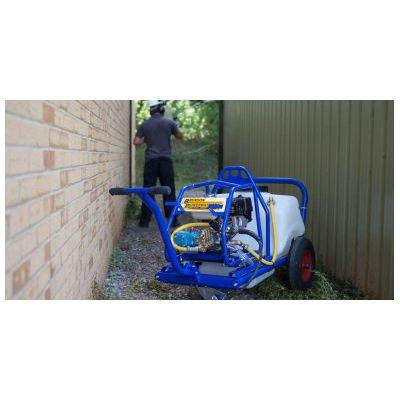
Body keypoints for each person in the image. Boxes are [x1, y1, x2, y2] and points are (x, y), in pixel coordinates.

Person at [134, 100, 183, 228]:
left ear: (151, 110)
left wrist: (147, 139)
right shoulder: (169, 123)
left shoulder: (145, 124)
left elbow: (136, 141)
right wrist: (176, 125)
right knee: (169, 189)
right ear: (161, 109)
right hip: (166, 161)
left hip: (151, 161)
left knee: (148, 189)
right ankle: (173, 219)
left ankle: (145, 220)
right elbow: (179, 136)